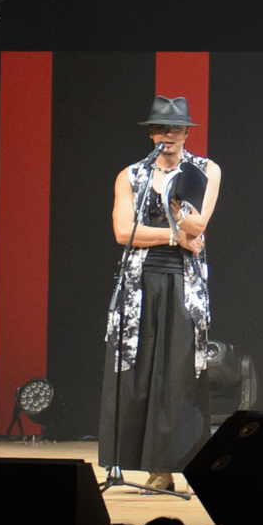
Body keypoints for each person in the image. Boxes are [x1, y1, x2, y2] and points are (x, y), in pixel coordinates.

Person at [100, 95, 221, 493]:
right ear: (151, 134)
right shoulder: (129, 175)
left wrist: (176, 211)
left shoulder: (204, 171)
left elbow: (198, 225)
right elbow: (123, 233)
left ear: (187, 133)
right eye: (159, 129)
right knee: (141, 370)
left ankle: (182, 463)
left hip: (184, 284)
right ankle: (154, 468)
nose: (166, 136)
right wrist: (172, 235)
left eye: (174, 129)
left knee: (179, 372)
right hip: (138, 285)